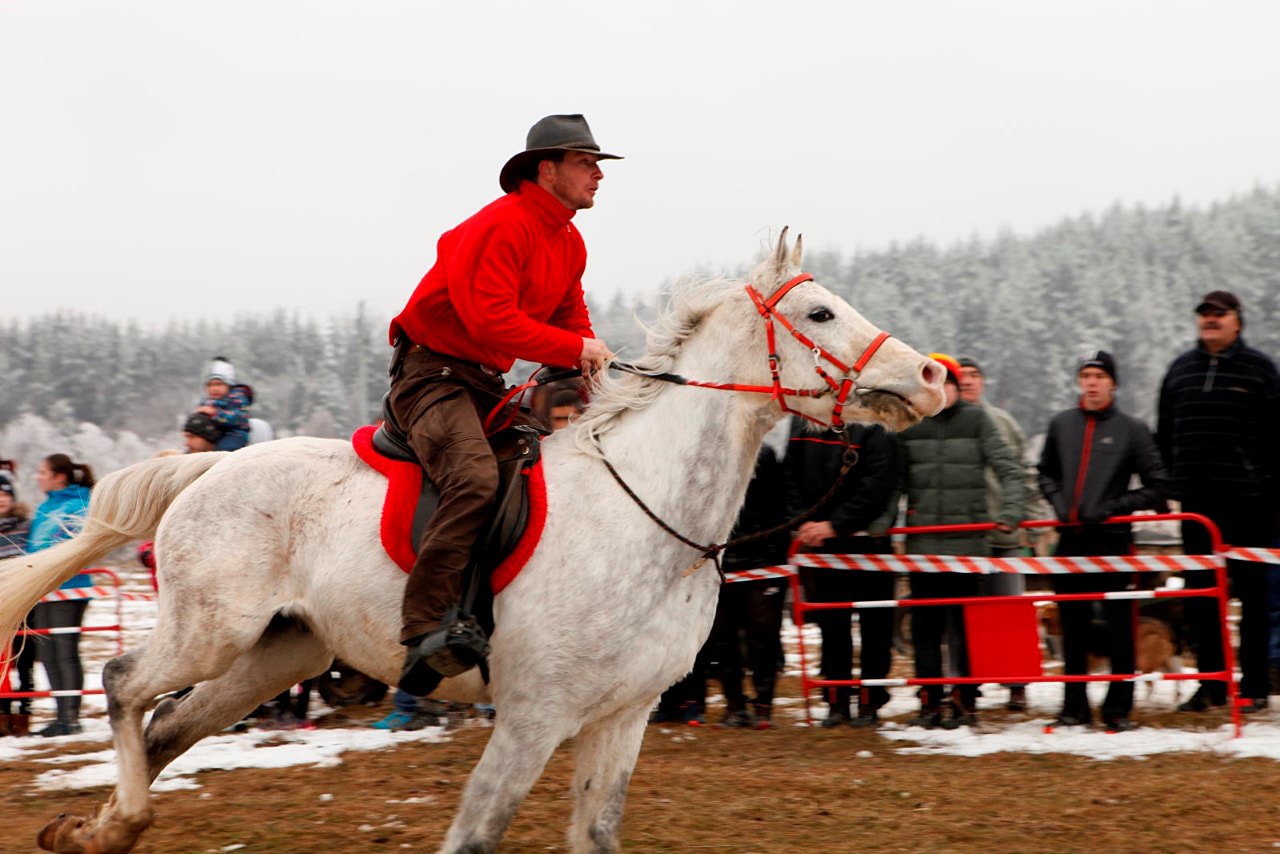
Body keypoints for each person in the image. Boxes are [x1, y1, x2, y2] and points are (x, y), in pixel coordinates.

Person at [387, 114, 620, 695]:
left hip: (485, 381)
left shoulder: (569, 240)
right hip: (432, 376)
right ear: (548, 169)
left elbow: (570, 316)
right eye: (586, 163)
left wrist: (589, 366)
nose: (598, 175)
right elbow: (489, 319)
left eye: (597, 165)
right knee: (471, 478)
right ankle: (424, 630)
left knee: (554, 465)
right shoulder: (502, 226)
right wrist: (575, 346)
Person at [1157, 290, 1280, 713]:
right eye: (1204, 314)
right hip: (1195, 506)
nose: (1210, 320)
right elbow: (1164, 435)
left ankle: (1256, 686)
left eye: (1219, 314)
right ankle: (1211, 685)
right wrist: (1171, 485)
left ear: (1237, 321)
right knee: (1200, 597)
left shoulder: (1262, 370)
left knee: (1255, 598)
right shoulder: (1179, 370)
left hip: (1251, 503)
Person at [1038, 351, 1169, 731]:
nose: (1092, 382)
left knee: (1119, 628)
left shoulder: (1132, 429)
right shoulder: (1062, 424)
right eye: (1086, 375)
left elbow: (1159, 485)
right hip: (1070, 541)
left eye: (1099, 375)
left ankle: (1118, 710)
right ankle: (1072, 707)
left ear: (1113, 382)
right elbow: (1045, 473)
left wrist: (1114, 508)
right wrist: (1059, 502)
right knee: (1072, 627)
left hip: (1112, 543)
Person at [897, 353, 1025, 728]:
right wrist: (882, 526)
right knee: (924, 629)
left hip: (967, 545)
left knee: (963, 628)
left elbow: (1010, 469)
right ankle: (929, 702)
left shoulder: (978, 420)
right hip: (921, 546)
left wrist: (1010, 514)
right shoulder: (913, 424)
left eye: (950, 384)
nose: (945, 392)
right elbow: (895, 480)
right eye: (936, 386)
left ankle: (965, 700)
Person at [785, 417, 900, 728]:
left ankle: (870, 701)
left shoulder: (876, 425)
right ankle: (836, 700)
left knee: (875, 627)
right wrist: (804, 521)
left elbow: (878, 485)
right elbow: (790, 476)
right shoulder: (803, 424)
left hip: (867, 545)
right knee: (832, 626)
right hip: (821, 546)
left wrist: (835, 525)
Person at [27, 454, 96, 736]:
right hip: (42, 588)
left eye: (42, 472)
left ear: (59, 476)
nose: (38, 476)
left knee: (64, 651)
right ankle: (60, 715)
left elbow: (72, 541)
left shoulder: (79, 502)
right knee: (47, 653)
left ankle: (71, 718)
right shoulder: (45, 507)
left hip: (70, 587)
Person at [0, 476, 36, 737]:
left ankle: (24, 711)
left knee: (24, 657)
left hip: (24, 597)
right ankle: (3, 712)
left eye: (5, 494)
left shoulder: (25, 525)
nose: (1, 499)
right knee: (2, 659)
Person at [196, 356, 251, 451]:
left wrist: (215, 413)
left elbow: (239, 418)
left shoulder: (236, 398)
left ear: (229, 385)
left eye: (219, 384)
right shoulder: (206, 402)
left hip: (234, 434)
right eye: (210, 385)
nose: (214, 388)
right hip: (212, 434)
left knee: (223, 450)